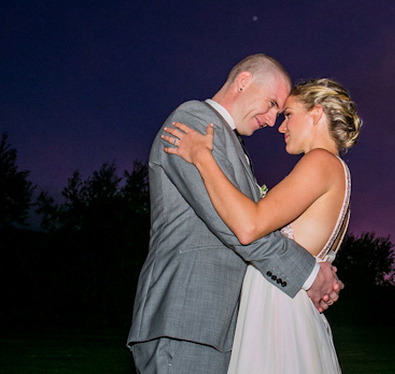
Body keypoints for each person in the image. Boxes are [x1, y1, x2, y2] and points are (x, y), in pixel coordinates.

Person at [128, 55, 343, 374]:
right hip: (187, 320)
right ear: (243, 82)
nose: (273, 121)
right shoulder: (195, 120)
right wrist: (310, 274)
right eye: (272, 104)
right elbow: (240, 228)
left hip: (221, 327)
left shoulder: (231, 144)